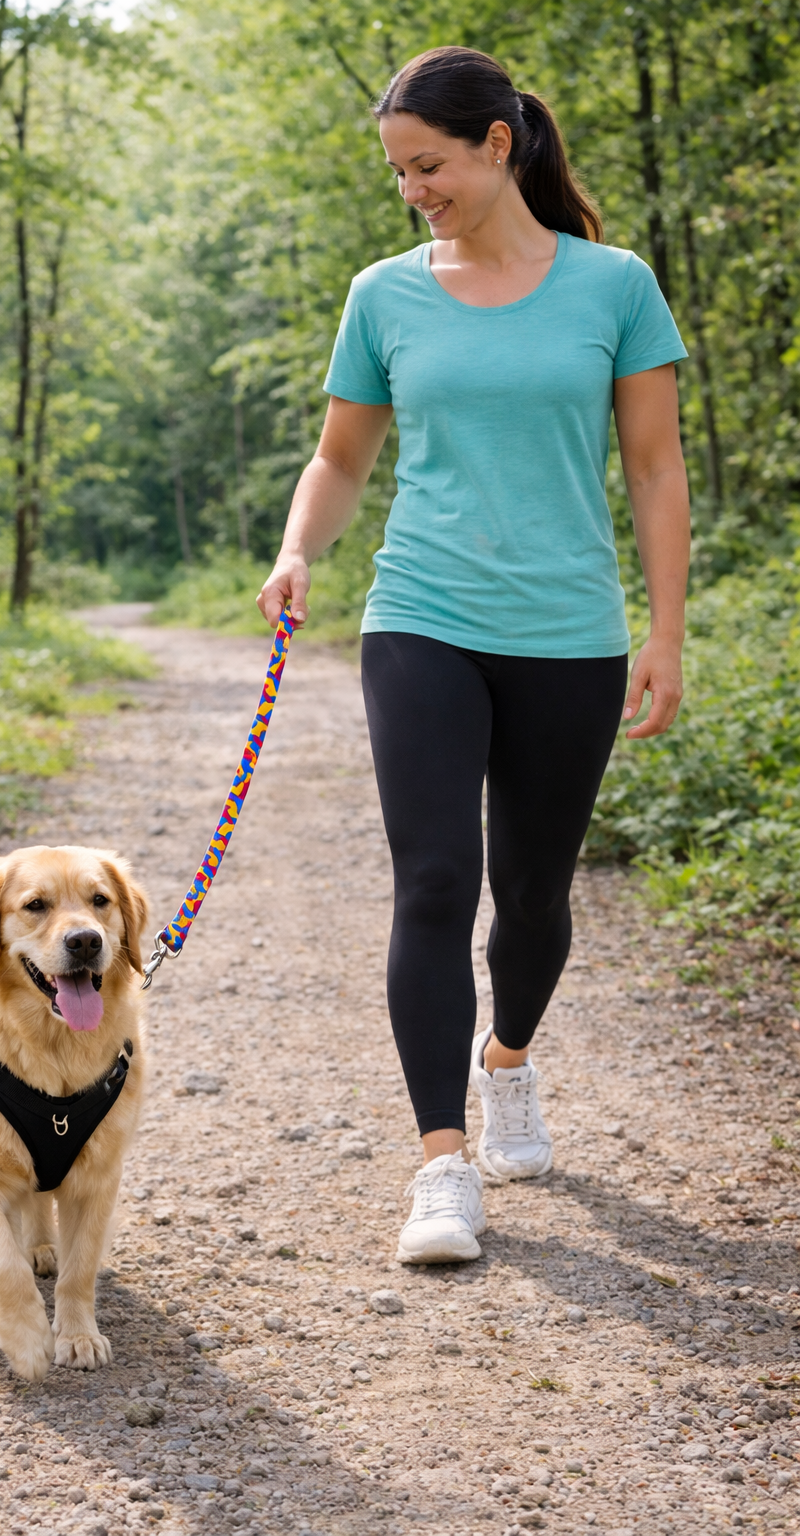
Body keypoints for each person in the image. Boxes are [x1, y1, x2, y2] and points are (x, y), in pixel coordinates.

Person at [257, 46, 690, 1264]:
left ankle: (508, 1064)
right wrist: (299, 548)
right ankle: (442, 1167)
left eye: (429, 166)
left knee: (535, 897)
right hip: (421, 617)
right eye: (399, 171)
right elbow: (340, 460)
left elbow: (655, 470)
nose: (413, 191)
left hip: (568, 631)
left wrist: (663, 631)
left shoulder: (614, 287)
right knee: (435, 881)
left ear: (499, 146)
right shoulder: (384, 294)